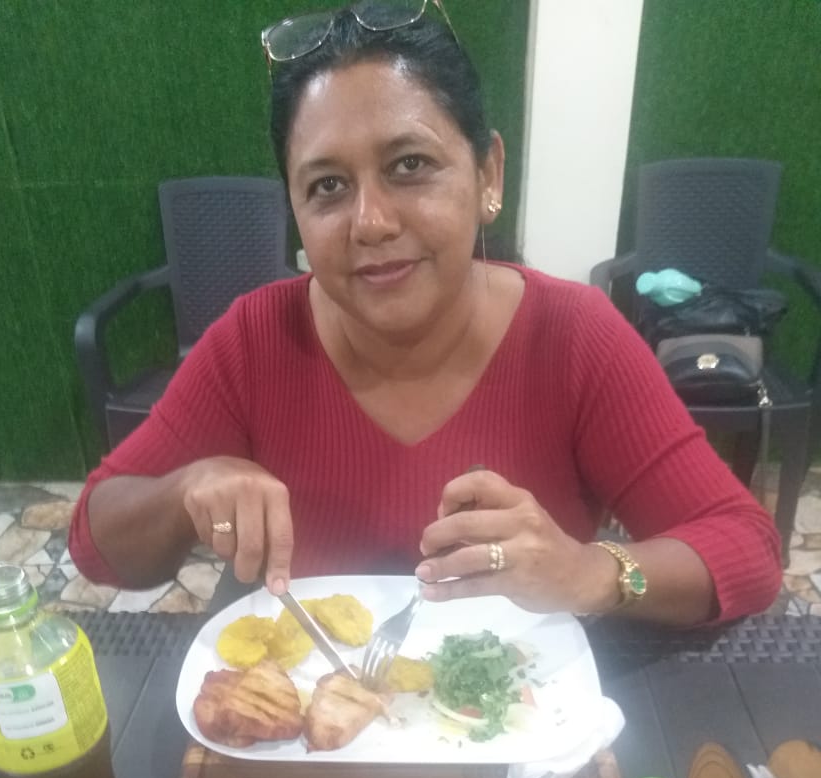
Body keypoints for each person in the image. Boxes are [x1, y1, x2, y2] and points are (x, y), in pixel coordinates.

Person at [69, 0, 782, 626]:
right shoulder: (255, 341)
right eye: (327, 186)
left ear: (488, 174)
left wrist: (594, 573)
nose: (371, 222)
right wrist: (184, 492)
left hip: (516, 715)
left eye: (410, 165)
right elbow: (95, 545)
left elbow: (746, 549)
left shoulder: (573, 336)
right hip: (319, 722)